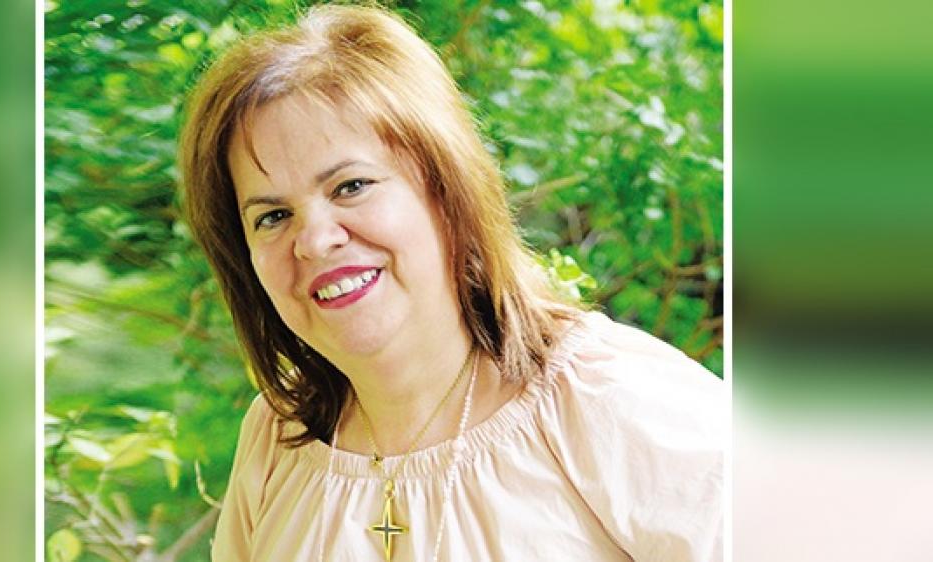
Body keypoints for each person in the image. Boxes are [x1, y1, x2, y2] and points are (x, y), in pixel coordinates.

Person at [178, 4, 723, 561]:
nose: (314, 240)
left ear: (446, 190)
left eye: (351, 186)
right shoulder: (277, 439)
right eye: (272, 216)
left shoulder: (610, 401)